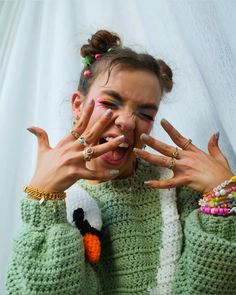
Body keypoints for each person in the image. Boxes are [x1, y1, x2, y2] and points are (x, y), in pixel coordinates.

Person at [6, 29, 236, 295]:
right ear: (77, 105)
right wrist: (42, 203)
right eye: (110, 103)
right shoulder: (57, 202)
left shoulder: (175, 189)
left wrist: (224, 197)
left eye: (145, 113)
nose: (127, 121)